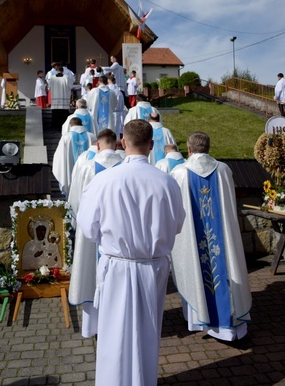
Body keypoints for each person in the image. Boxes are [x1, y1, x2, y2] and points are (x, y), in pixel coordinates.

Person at [76, 120, 185, 386]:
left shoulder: (104, 180)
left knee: (115, 333)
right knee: (148, 332)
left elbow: (88, 228)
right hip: (153, 267)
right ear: (151, 145)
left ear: (123, 142)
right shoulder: (167, 182)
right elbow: (177, 224)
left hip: (117, 266)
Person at [171, 131, 252, 341]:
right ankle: (228, 325)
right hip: (222, 238)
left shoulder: (179, 173)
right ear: (208, 147)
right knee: (224, 266)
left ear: (189, 149)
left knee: (197, 271)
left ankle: (201, 318)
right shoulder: (224, 170)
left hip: (193, 238)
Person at [68, 129, 123, 337]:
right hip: (119, 236)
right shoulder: (125, 167)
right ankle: (117, 327)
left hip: (92, 235)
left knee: (91, 273)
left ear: (97, 146)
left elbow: (75, 201)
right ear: (117, 145)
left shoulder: (87, 167)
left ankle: (92, 326)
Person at [52, 117, 96, 195]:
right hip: (88, 175)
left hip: (71, 173)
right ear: (81, 124)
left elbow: (59, 158)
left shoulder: (66, 137)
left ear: (71, 125)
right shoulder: (91, 136)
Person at [107, 74, 125, 138]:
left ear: (108, 81)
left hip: (110, 113)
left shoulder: (108, 90)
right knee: (117, 132)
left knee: (109, 131)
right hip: (118, 113)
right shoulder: (119, 91)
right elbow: (122, 104)